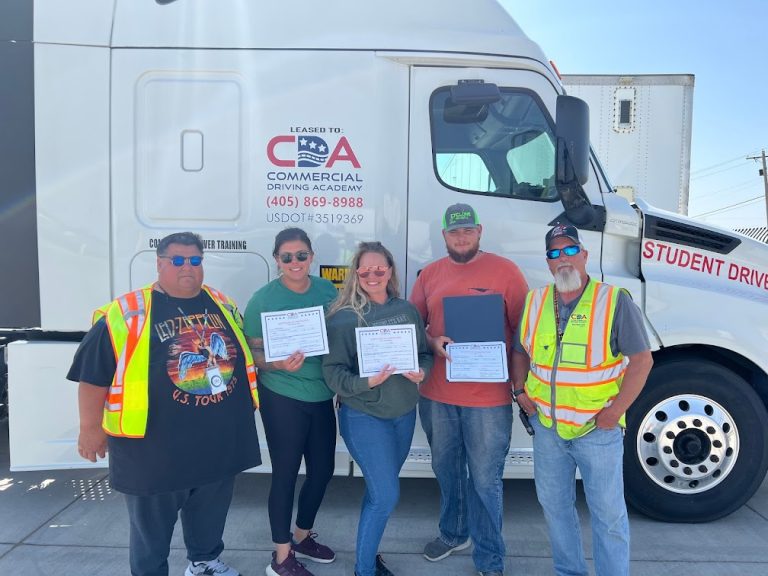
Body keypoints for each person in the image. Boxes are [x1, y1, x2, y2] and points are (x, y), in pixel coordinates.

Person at [68, 231, 261, 576]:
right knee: (150, 531)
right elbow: (91, 376)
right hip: (154, 449)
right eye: (178, 260)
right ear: (159, 264)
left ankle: (204, 563)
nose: (187, 267)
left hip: (217, 441)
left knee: (210, 511)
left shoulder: (221, 303)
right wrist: (89, 429)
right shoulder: (127, 313)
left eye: (195, 260)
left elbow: (242, 352)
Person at [511, 224, 653, 576]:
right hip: (548, 429)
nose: (564, 259)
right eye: (555, 253)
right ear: (547, 262)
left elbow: (642, 361)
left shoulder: (614, 300)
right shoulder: (535, 300)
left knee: (607, 516)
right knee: (555, 509)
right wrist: (519, 390)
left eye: (570, 250)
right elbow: (519, 351)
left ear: (585, 255)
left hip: (597, 431)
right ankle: (569, 572)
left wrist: (615, 412)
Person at [409, 203, 529, 576]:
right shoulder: (429, 275)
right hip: (437, 396)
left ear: (479, 232)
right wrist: (431, 342)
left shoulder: (506, 272)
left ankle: (490, 558)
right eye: (453, 232)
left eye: (468, 231)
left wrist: (520, 386)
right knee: (446, 469)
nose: (461, 238)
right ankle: (453, 533)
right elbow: (414, 328)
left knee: (485, 479)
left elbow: (524, 335)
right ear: (443, 235)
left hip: (488, 400)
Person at [323, 241, 433, 576]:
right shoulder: (344, 318)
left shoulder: (407, 310)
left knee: (379, 493)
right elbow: (332, 374)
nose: (373, 275)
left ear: (390, 271)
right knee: (386, 495)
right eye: (365, 270)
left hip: (402, 415)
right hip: (364, 416)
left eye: (379, 269)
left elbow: (424, 353)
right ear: (356, 274)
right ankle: (364, 570)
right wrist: (366, 382)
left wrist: (422, 371)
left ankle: (369, 554)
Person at [243, 228, 338, 576]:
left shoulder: (328, 290)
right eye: (287, 257)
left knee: (323, 470)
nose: (294, 262)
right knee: (285, 473)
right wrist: (277, 362)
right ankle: (281, 558)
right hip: (282, 393)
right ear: (276, 260)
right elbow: (252, 352)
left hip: (321, 392)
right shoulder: (263, 300)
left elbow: (340, 334)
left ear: (311, 257)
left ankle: (301, 537)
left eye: (301, 255)